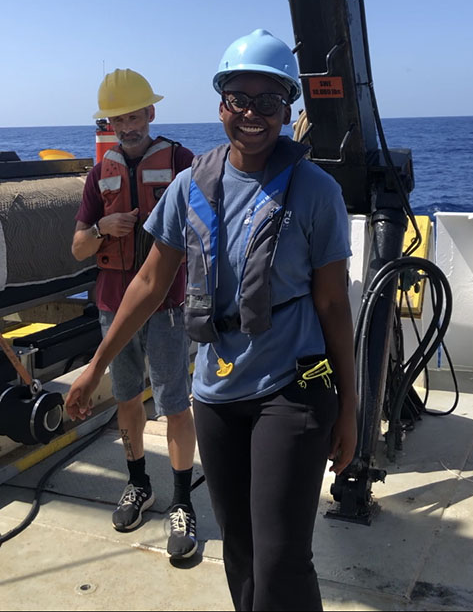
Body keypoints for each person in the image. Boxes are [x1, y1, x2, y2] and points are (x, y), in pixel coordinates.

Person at [66, 31, 357, 611]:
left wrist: (347, 410)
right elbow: (149, 283)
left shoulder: (317, 192)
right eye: (238, 98)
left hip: (295, 388)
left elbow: (332, 306)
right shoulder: (189, 186)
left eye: (268, 101)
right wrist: (95, 366)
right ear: (221, 104)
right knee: (242, 551)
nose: (252, 113)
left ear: (288, 110)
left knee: (280, 558)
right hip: (217, 389)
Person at [70, 68, 198, 559]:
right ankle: (138, 482)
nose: (127, 126)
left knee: (174, 400)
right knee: (127, 398)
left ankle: (182, 500)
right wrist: (104, 226)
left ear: (151, 113)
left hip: (167, 305)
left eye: (134, 115)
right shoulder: (97, 175)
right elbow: (79, 248)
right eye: (117, 118)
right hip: (111, 305)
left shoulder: (183, 162)